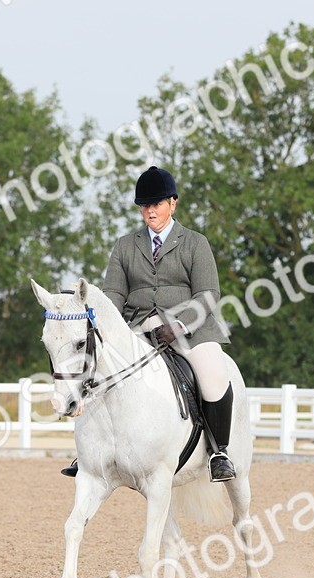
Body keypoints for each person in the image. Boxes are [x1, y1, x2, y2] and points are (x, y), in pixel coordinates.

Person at [61, 166, 236, 482]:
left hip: (191, 330)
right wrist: (103, 326)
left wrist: (179, 325)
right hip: (140, 328)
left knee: (214, 375)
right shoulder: (126, 246)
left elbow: (209, 293)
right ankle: (90, 453)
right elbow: (113, 293)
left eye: (156, 204)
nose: (150, 211)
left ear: (173, 203)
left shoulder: (195, 243)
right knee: (100, 368)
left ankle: (219, 452)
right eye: (145, 205)